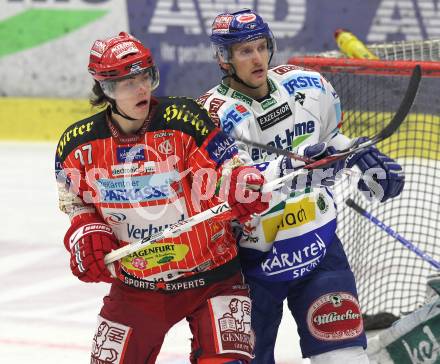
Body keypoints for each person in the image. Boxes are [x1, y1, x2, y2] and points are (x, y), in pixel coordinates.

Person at [198, 9, 405, 364]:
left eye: (262, 47)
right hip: (247, 267)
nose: (258, 58)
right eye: (245, 51)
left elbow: (331, 139)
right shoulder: (209, 117)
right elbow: (220, 187)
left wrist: (359, 157)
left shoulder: (308, 85)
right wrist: (291, 166)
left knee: (347, 358)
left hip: (317, 248)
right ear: (224, 58)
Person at [55, 31, 270, 364]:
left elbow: (226, 164)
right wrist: (85, 226)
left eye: (146, 77)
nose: (142, 88)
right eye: (129, 83)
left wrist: (238, 181)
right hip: (136, 283)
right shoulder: (77, 145)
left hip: (213, 274)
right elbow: (74, 198)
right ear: (107, 90)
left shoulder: (184, 119)